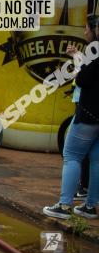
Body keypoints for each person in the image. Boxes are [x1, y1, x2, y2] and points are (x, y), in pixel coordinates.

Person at [43, 17, 99, 221]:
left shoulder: (96, 50)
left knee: (72, 155)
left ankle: (65, 205)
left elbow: (82, 80)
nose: (85, 32)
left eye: (87, 28)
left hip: (90, 113)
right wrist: (78, 56)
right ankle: (90, 206)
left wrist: (78, 63)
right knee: (96, 159)